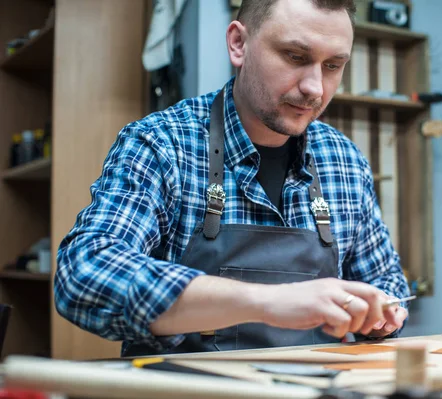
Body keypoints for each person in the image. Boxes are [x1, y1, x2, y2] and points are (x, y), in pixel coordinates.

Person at [54, 0, 411, 357]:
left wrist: (381, 312)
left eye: (333, 65)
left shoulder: (344, 160)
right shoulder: (163, 143)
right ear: (238, 44)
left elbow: (385, 281)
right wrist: (267, 301)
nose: (315, 88)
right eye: (294, 56)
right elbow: (85, 273)